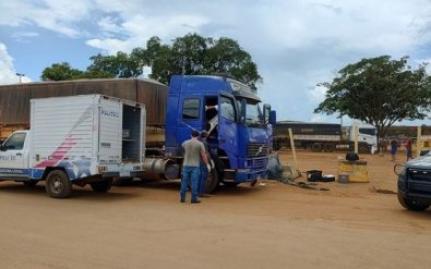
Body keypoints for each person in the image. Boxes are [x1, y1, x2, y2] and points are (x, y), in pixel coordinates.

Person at [180, 130, 211, 204]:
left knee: (184, 182)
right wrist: (207, 164)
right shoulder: (200, 144)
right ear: (197, 136)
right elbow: (203, 156)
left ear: (191, 135)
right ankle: (194, 199)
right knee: (194, 183)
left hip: (186, 165)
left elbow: (183, 151)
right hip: (195, 166)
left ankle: (182, 198)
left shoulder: (185, 143)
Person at [198, 131, 212, 197]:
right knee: (204, 177)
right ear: (206, 135)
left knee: (200, 176)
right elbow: (205, 154)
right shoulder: (204, 143)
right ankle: (201, 193)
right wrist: (208, 163)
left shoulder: (199, 142)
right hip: (203, 162)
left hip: (199, 161)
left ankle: (198, 192)